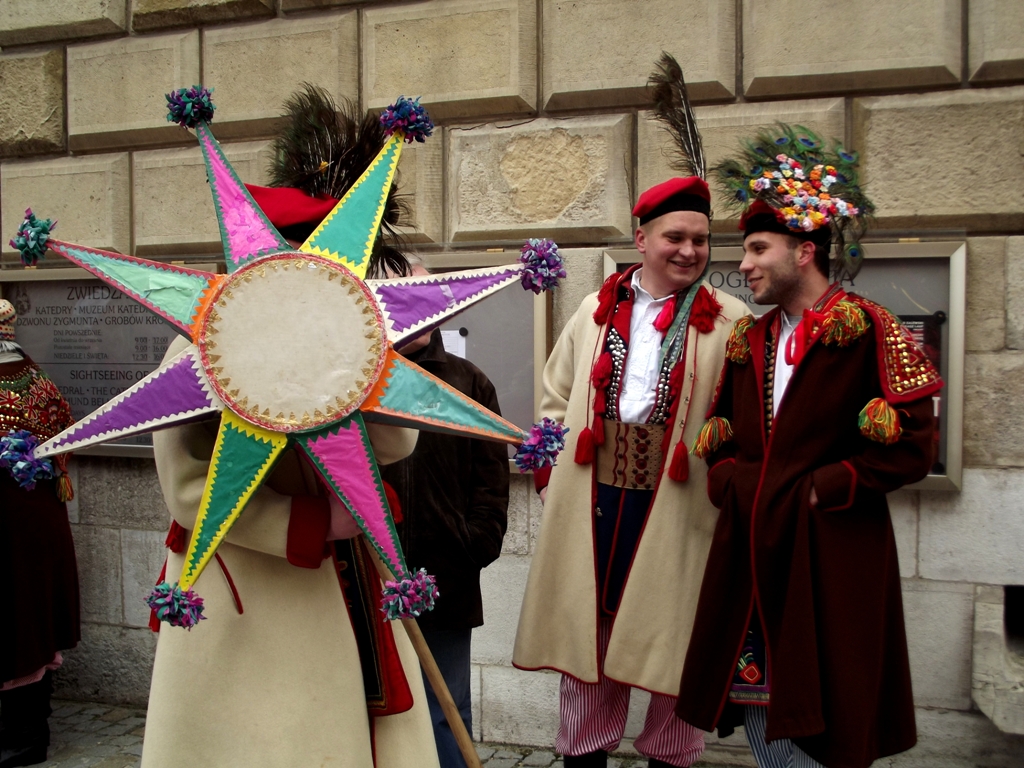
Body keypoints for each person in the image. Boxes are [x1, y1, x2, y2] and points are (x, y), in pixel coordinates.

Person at [140, 86, 440, 768]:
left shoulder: (348, 340)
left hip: (340, 582)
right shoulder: (195, 347)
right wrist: (306, 524)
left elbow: (396, 446)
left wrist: (385, 374)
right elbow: (185, 488)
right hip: (246, 587)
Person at [675, 127, 941, 768]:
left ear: (805, 250)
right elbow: (720, 438)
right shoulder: (751, 340)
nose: (743, 265)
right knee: (763, 697)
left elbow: (913, 444)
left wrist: (824, 490)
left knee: (830, 711)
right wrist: (735, 483)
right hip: (753, 553)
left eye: (759, 248)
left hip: (831, 555)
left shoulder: (870, 327)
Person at [513, 56, 749, 768]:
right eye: (674, 238)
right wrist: (555, 477)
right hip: (596, 497)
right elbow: (555, 398)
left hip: (680, 507)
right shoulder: (594, 308)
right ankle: (583, 754)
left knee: (675, 640)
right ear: (641, 238)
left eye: (700, 241)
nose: (688, 251)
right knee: (593, 635)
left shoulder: (729, 319)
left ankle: (670, 756)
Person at [379, 259, 510, 768]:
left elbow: (490, 476)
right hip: (368, 573)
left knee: (445, 707)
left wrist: (475, 540)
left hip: (445, 573)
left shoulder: (466, 381)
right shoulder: (352, 379)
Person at [0, 299, 79, 768]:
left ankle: (25, 735)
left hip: (16, 523)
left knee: (18, 617)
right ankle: (26, 731)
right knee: (26, 616)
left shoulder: (19, 377)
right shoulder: (36, 376)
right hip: (34, 519)